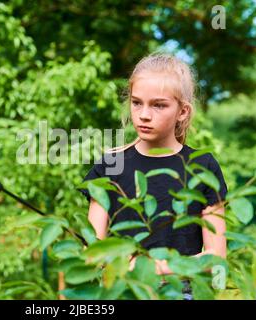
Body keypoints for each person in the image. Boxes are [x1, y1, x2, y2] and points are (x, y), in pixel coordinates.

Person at [77, 53, 228, 300]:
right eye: (137, 103)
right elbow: (91, 250)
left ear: (182, 111)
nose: (144, 114)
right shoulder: (111, 163)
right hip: (123, 291)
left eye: (158, 105)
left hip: (182, 292)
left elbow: (216, 258)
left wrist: (151, 268)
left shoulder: (202, 165)